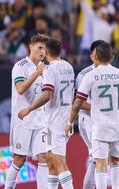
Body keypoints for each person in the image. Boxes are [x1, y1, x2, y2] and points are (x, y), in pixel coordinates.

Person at [65, 42, 119, 189]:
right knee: (115, 160)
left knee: (99, 162)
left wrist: (69, 122)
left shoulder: (90, 76)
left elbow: (77, 102)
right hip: (116, 125)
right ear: (112, 57)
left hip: (98, 125)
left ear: (96, 56)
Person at [18, 38, 75, 189]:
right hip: (66, 119)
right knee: (51, 161)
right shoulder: (68, 66)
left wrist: (29, 109)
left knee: (59, 162)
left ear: (47, 52)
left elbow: (47, 95)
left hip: (56, 121)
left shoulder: (50, 70)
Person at [6, 34, 49, 189]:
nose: (42, 51)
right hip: (22, 121)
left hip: (40, 121)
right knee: (19, 159)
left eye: (44, 48)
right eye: (39, 47)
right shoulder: (20, 66)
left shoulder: (46, 68)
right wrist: (36, 73)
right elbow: (20, 89)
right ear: (30, 47)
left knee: (44, 157)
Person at [75, 39, 105, 189]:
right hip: (88, 121)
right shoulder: (83, 75)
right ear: (92, 55)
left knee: (101, 158)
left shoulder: (111, 73)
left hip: (104, 122)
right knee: (97, 157)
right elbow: (79, 103)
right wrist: (101, 108)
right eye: (98, 51)